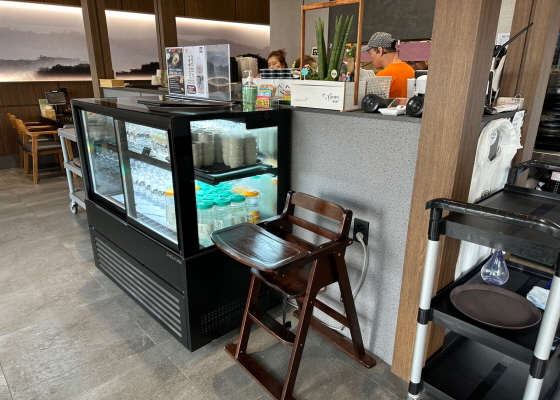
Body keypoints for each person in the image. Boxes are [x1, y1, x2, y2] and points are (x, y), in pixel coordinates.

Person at [362, 32, 414, 98]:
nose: (370, 59)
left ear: (380, 50)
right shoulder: (410, 70)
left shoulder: (383, 76)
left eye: (370, 53)